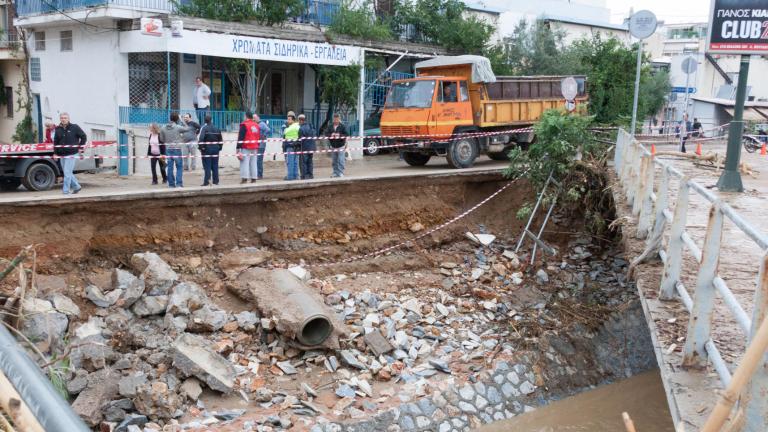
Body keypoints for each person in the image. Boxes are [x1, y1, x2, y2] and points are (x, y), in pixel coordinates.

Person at [53, 112, 87, 195]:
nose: (63, 119)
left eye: (65, 118)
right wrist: (55, 153)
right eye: (62, 118)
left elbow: (83, 136)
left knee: (67, 173)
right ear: (60, 119)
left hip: (72, 153)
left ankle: (65, 191)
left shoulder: (74, 127)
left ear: (68, 119)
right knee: (67, 172)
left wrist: (80, 147)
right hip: (61, 154)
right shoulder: (58, 129)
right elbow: (56, 142)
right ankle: (77, 186)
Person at [159, 112, 191, 188]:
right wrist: (182, 120)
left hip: (168, 149)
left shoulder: (163, 127)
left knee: (170, 167)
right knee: (179, 167)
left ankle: (171, 185)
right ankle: (179, 184)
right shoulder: (178, 127)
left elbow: (161, 139)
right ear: (177, 119)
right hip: (177, 149)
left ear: (170, 118)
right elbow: (188, 128)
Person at [198, 114, 223, 186]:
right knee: (215, 165)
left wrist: (201, 147)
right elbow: (220, 139)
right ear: (211, 120)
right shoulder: (217, 128)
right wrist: (219, 148)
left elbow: (201, 139)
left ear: (205, 121)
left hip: (207, 149)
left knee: (207, 166)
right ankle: (216, 181)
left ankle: (207, 182)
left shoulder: (204, 128)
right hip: (216, 149)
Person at [237, 111, 261, 184]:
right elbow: (258, 136)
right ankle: (254, 178)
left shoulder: (244, 124)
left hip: (246, 146)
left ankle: (244, 178)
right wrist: (257, 145)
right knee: (253, 163)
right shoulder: (256, 125)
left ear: (246, 116)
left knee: (244, 162)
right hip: (255, 146)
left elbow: (241, 137)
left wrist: (238, 148)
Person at [326, 113, 348, 178]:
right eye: (335, 119)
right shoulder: (330, 126)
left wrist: (340, 136)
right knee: (334, 160)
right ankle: (335, 172)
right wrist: (331, 135)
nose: (336, 120)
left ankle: (341, 172)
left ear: (339, 119)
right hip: (333, 146)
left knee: (341, 160)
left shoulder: (342, 126)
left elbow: (346, 134)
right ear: (333, 119)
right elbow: (326, 134)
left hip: (341, 145)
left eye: (337, 119)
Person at [298, 114, 316, 180]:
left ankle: (304, 176)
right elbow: (314, 134)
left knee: (303, 162)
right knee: (310, 161)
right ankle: (310, 175)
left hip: (304, 147)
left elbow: (300, 139)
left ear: (300, 120)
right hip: (311, 148)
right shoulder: (311, 126)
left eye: (299, 120)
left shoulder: (301, 128)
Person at [283, 113, 300, 181]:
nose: (288, 120)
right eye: (288, 119)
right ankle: (296, 175)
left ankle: (290, 176)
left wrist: (285, 127)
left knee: (290, 162)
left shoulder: (291, 127)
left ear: (293, 120)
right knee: (295, 162)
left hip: (290, 146)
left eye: (289, 119)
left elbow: (285, 133)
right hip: (296, 146)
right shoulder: (297, 126)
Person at [255, 114, 271, 180]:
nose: (254, 119)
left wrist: (264, 136)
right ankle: (257, 174)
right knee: (256, 160)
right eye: (253, 118)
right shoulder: (256, 124)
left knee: (259, 160)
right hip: (256, 145)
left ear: (258, 117)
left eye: (255, 118)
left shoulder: (262, 124)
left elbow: (268, 130)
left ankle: (259, 175)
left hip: (261, 145)